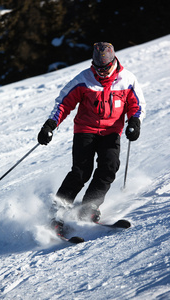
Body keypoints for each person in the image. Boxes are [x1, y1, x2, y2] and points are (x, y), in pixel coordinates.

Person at [38, 42, 146, 223]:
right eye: (98, 67)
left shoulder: (127, 79)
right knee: (81, 172)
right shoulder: (84, 79)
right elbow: (64, 103)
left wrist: (134, 122)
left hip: (112, 131)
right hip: (85, 130)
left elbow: (137, 105)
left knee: (109, 167)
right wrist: (49, 125)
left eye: (106, 67)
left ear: (113, 62)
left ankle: (90, 206)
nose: (101, 71)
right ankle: (57, 210)